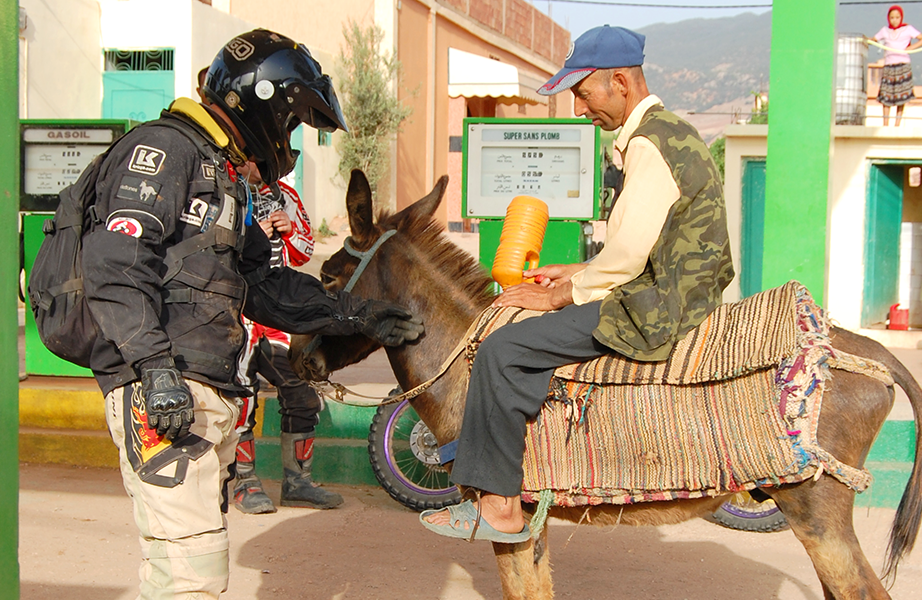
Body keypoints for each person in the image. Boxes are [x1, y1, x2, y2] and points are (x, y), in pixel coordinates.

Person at [84, 29, 423, 598]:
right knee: (191, 576)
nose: (288, 141)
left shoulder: (221, 177)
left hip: (205, 387)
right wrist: (156, 370)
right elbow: (115, 263)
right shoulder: (166, 151)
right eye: (292, 124)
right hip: (163, 390)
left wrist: (358, 314)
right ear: (263, 104)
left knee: (182, 571)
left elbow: (264, 285)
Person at [420, 25, 734, 542]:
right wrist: (576, 271)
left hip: (656, 307)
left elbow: (628, 256)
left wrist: (557, 295)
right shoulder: (667, 132)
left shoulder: (650, 145)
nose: (580, 109)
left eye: (585, 95)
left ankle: (498, 507)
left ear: (620, 83)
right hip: (673, 291)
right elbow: (640, 243)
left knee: (501, 350)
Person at [231, 160, 341, 514]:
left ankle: (298, 484)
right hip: (235, 316)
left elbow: (304, 252)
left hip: (278, 316)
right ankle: (244, 483)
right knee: (241, 399)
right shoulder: (222, 190)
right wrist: (252, 239)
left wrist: (290, 231)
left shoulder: (287, 195)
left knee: (303, 395)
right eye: (248, 157)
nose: (254, 164)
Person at [871, 5, 922, 126]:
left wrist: (911, 48)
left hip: (903, 65)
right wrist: (864, 39)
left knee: (901, 96)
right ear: (888, 18)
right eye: (892, 18)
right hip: (889, 65)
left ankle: (897, 124)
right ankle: (885, 124)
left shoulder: (908, 29)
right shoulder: (885, 30)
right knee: (886, 96)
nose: (895, 20)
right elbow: (873, 39)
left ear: (901, 17)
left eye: (897, 17)